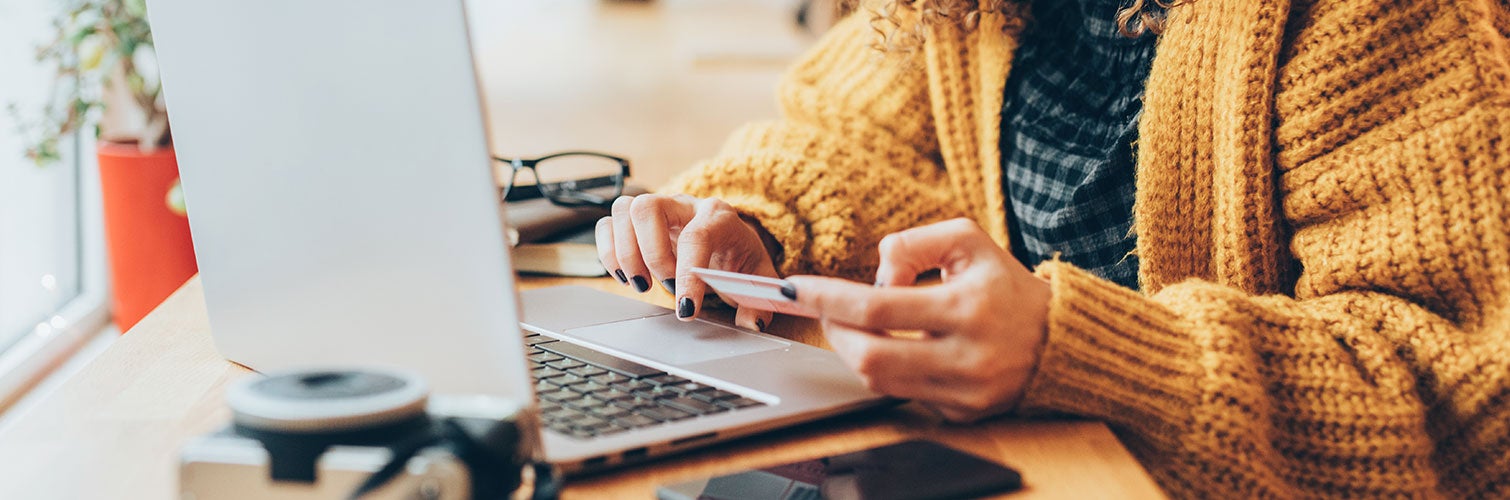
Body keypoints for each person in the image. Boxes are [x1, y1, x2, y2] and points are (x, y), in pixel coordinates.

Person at [595, 0, 1510, 496]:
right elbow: (845, 136)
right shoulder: (961, 8)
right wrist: (751, 217)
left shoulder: (1381, 19)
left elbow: (1465, 411)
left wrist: (1079, 351)